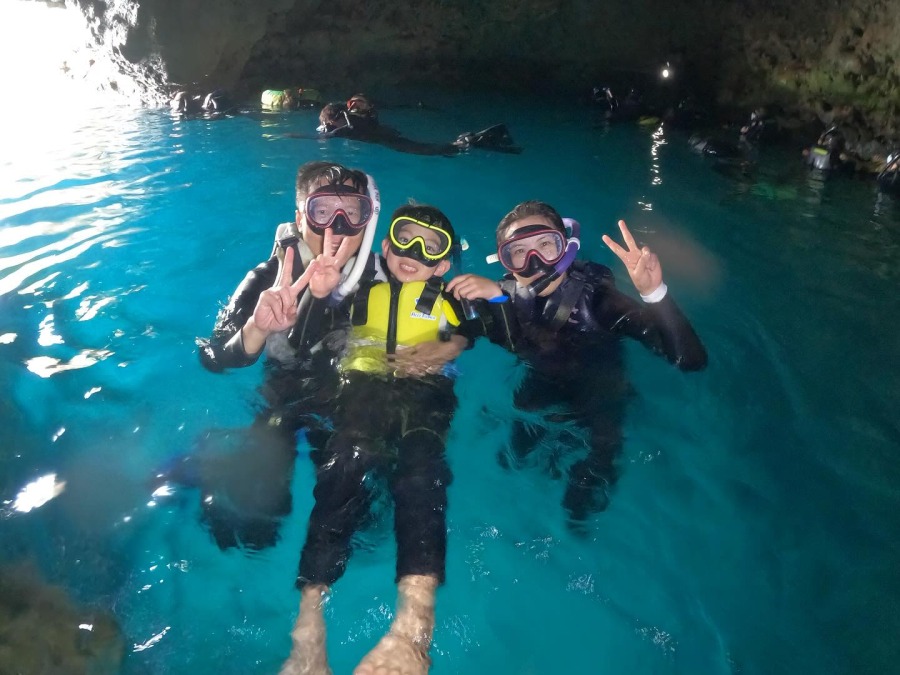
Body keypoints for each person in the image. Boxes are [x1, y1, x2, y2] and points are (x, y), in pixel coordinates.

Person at [280, 205, 471, 675]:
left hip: (427, 389)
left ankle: (413, 627)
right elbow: (309, 336)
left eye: (431, 247)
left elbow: (480, 326)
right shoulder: (357, 290)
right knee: (344, 462)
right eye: (404, 238)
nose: (414, 253)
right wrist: (319, 297)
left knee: (422, 473)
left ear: (443, 264)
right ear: (384, 246)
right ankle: (308, 629)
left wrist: (450, 345)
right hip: (362, 387)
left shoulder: (452, 296)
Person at [166, 161, 383, 551]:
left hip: (345, 400)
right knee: (257, 527)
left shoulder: (381, 282)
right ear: (301, 219)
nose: (336, 226)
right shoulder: (267, 278)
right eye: (322, 211)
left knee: (359, 520)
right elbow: (212, 359)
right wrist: (257, 328)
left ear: (366, 220)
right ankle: (213, 467)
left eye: (351, 212)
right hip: (281, 393)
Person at [447, 201, 707, 523]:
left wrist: (654, 293)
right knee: (511, 460)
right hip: (539, 387)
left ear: (565, 245)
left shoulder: (600, 301)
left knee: (583, 498)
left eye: (545, 245)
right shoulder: (502, 298)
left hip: (601, 395)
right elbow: (461, 332)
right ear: (506, 261)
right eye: (520, 251)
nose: (535, 261)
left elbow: (689, 361)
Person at [309, 93, 522, 156]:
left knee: (436, 150)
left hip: (390, 140)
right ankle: (471, 141)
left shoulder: (346, 124)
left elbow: (330, 135)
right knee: (435, 150)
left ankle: (471, 141)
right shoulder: (350, 123)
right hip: (389, 139)